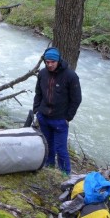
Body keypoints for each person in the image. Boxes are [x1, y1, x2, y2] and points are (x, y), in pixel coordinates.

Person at [33, 47, 82, 175]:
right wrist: (36, 110)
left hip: (60, 119)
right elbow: (38, 93)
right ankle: (49, 167)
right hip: (43, 116)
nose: (49, 65)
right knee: (47, 145)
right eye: (47, 62)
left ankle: (65, 174)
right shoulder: (42, 73)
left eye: (52, 62)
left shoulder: (70, 76)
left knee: (61, 149)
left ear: (58, 61)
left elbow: (76, 99)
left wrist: (68, 117)